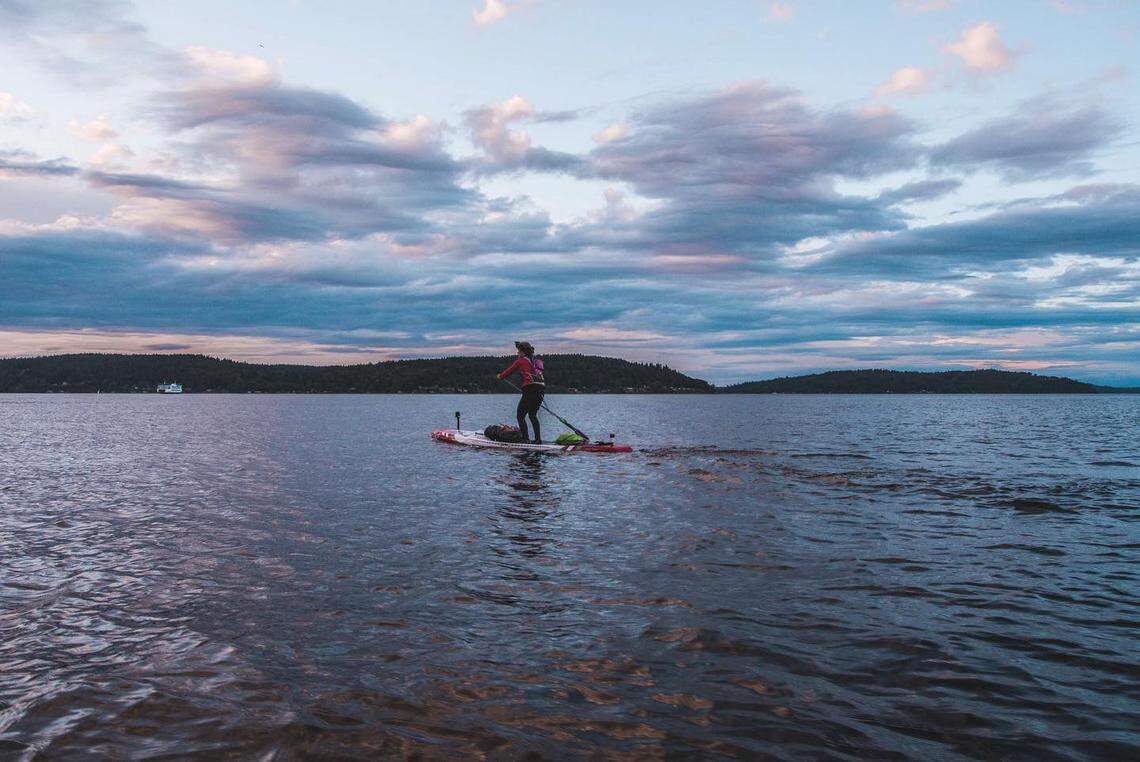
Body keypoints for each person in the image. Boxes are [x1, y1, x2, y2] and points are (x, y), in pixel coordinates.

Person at [497, 341, 545, 443]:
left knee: (520, 416)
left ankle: (525, 439)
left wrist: (500, 376)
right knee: (532, 415)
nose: (517, 353)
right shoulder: (535, 362)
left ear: (523, 352)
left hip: (529, 390)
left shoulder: (521, 361)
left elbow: (508, 371)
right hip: (540, 390)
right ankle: (538, 440)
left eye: (518, 351)